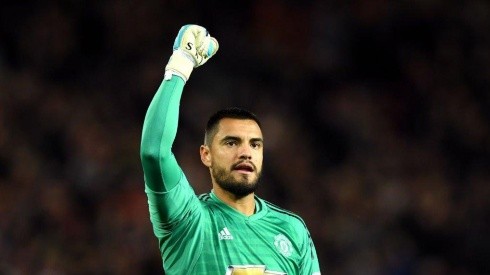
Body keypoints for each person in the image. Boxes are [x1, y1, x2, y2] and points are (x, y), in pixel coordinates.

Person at [140, 24, 321, 275]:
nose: (245, 152)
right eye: (231, 142)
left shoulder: (292, 230)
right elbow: (154, 152)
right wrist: (180, 64)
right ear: (206, 154)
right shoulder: (190, 223)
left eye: (255, 144)